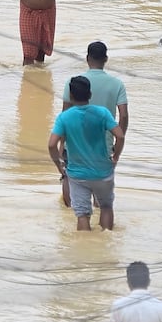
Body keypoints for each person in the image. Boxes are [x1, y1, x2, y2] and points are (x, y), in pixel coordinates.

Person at [48, 75, 124, 230]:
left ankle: (84, 250)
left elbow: (51, 145)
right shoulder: (102, 113)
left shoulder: (64, 118)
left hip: (78, 174)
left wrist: (59, 166)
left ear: (71, 96)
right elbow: (120, 135)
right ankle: (106, 244)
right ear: (90, 94)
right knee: (106, 207)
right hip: (103, 172)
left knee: (82, 214)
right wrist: (115, 156)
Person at [62, 41, 128, 134]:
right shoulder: (117, 84)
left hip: (75, 144)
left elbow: (65, 114)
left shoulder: (72, 82)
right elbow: (123, 116)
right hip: (104, 145)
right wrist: (119, 142)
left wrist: (63, 144)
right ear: (106, 59)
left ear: (87, 58)